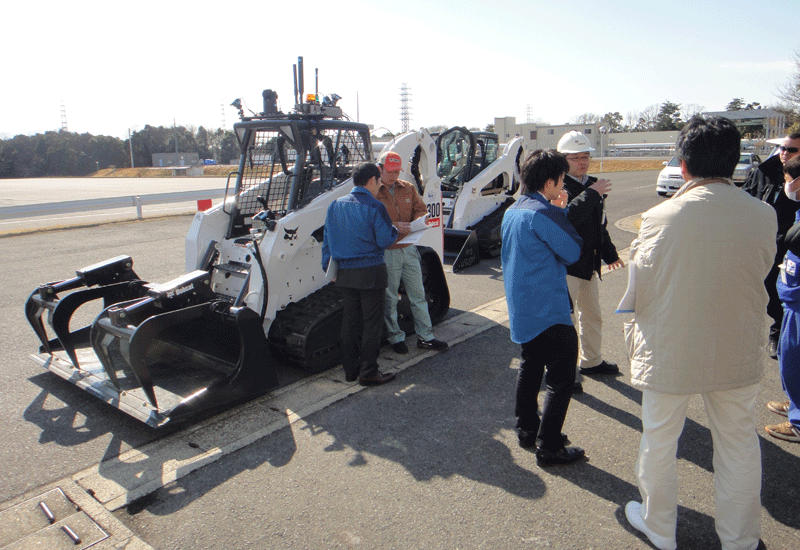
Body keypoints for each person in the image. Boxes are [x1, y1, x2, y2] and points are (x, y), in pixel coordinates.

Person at [622, 116, 776, 550]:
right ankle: (740, 539)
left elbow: (642, 286)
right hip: (737, 344)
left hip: (670, 346)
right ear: (735, 164)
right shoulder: (763, 215)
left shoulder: (659, 217)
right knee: (739, 444)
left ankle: (660, 527)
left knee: (660, 440)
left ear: (683, 164)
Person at [501, 149, 585, 466]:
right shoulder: (543, 212)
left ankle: (527, 428)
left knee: (531, 365)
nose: (563, 185)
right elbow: (572, 250)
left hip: (521, 305)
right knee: (561, 377)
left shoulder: (513, 211)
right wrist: (560, 212)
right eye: (562, 180)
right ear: (551, 181)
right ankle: (549, 444)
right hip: (548, 307)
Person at [556, 131, 624, 392]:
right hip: (567, 264)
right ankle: (563, 371)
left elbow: (599, 226)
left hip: (588, 264)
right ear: (564, 160)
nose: (582, 162)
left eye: (585, 156)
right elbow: (567, 217)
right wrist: (593, 193)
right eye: (576, 157)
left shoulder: (593, 185)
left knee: (592, 315)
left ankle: (591, 361)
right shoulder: (558, 185)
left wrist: (610, 254)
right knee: (565, 320)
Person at [322, 162, 399, 386]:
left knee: (350, 321)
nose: (379, 187)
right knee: (372, 324)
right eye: (379, 182)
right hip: (370, 272)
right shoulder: (375, 207)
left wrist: (328, 267)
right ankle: (369, 372)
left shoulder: (335, 205)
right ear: (372, 181)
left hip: (344, 272)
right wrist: (394, 229)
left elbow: (327, 241)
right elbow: (386, 239)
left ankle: (350, 371)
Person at [376, 150, 448, 354]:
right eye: (390, 172)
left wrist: (416, 222)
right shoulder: (374, 192)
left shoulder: (407, 188)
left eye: (397, 171)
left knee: (418, 294)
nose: (394, 176)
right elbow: (370, 220)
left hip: (408, 248)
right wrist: (393, 225)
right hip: (388, 251)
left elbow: (421, 209)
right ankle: (395, 337)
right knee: (390, 298)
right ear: (380, 169)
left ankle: (426, 337)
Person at [743, 132, 800, 358]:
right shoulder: (762, 172)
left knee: (785, 294)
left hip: (791, 248)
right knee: (766, 291)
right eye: (782, 148)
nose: (784, 154)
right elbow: (746, 199)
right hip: (762, 244)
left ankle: (779, 334)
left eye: (791, 150)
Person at [765, 155, 800, 443]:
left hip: (798, 305)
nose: (786, 186)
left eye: (788, 180)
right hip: (791, 303)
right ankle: (795, 402)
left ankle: (798, 422)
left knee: (796, 360)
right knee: (791, 361)